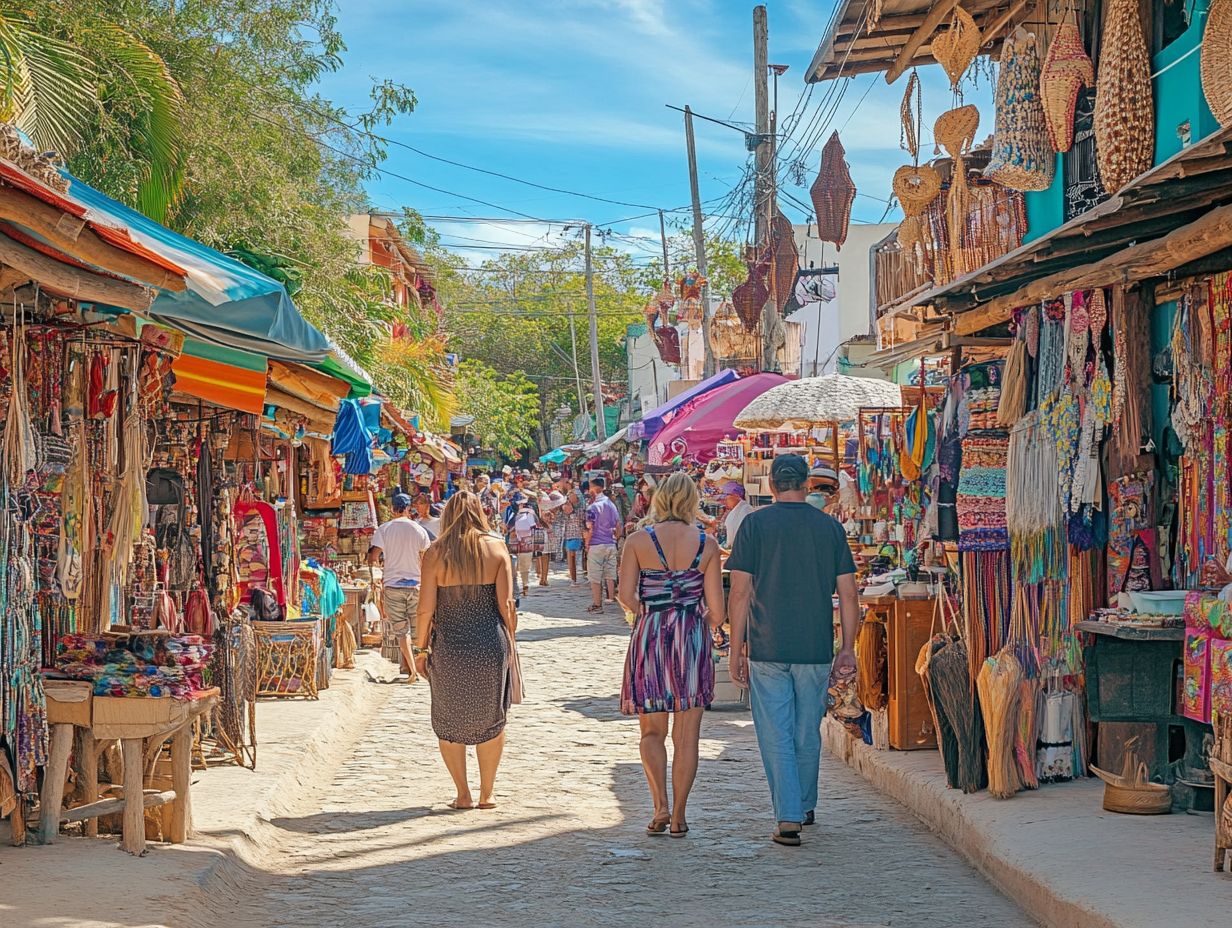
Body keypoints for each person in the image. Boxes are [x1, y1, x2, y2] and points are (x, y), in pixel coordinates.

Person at [725, 454, 859, 848]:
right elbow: (849, 593)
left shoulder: (755, 525)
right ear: (806, 483)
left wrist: (736, 648)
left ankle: (788, 815)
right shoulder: (829, 527)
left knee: (775, 732)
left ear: (771, 486)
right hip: (815, 644)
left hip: (767, 643)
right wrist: (847, 647)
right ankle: (803, 803)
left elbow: (741, 593)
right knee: (806, 729)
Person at [618, 472, 726, 838]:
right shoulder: (707, 544)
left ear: (660, 500)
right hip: (691, 637)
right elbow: (718, 611)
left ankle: (659, 804)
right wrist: (694, 618)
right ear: (692, 501)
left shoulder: (637, 540)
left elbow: (625, 596)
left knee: (651, 731)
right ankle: (679, 815)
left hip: (650, 634)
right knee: (687, 735)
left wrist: (650, 610)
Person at [414, 492, 517, 811]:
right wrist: (510, 642)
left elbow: (425, 610)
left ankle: (463, 794)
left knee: (448, 717)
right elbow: (507, 606)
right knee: (492, 716)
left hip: (449, 646)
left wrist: (419, 650)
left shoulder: (435, 552)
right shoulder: (497, 547)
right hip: (489, 642)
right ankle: (488, 793)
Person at [368, 493, 433, 682]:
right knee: (417, 630)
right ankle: (421, 665)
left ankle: (412, 669)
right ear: (408, 509)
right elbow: (425, 559)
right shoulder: (419, 530)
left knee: (400, 630)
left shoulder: (384, 529)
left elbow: (373, 557)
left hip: (392, 585)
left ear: (392, 509)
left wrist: (379, 571)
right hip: (415, 585)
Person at [584, 475, 622, 614]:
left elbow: (590, 528)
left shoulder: (592, 507)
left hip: (596, 543)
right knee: (610, 572)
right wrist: (615, 539)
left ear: (594, 489)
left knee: (595, 575)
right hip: (610, 543)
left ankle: (597, 604)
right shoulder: (611, 504)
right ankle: (611, 598)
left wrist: (587, 544)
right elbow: (618, 525)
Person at [557, 477, 586, 584]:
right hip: (574, 527)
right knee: (577, 554)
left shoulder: (573, 494)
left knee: (571, 555)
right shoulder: (575, 493)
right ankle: (578, 577)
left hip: (574, 528)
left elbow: (570, 508)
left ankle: (574, 579)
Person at [720, 481, 754, 549]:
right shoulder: (736, 509)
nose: (724, 500)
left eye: (726, 497)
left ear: (736, 496)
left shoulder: (746, 510)